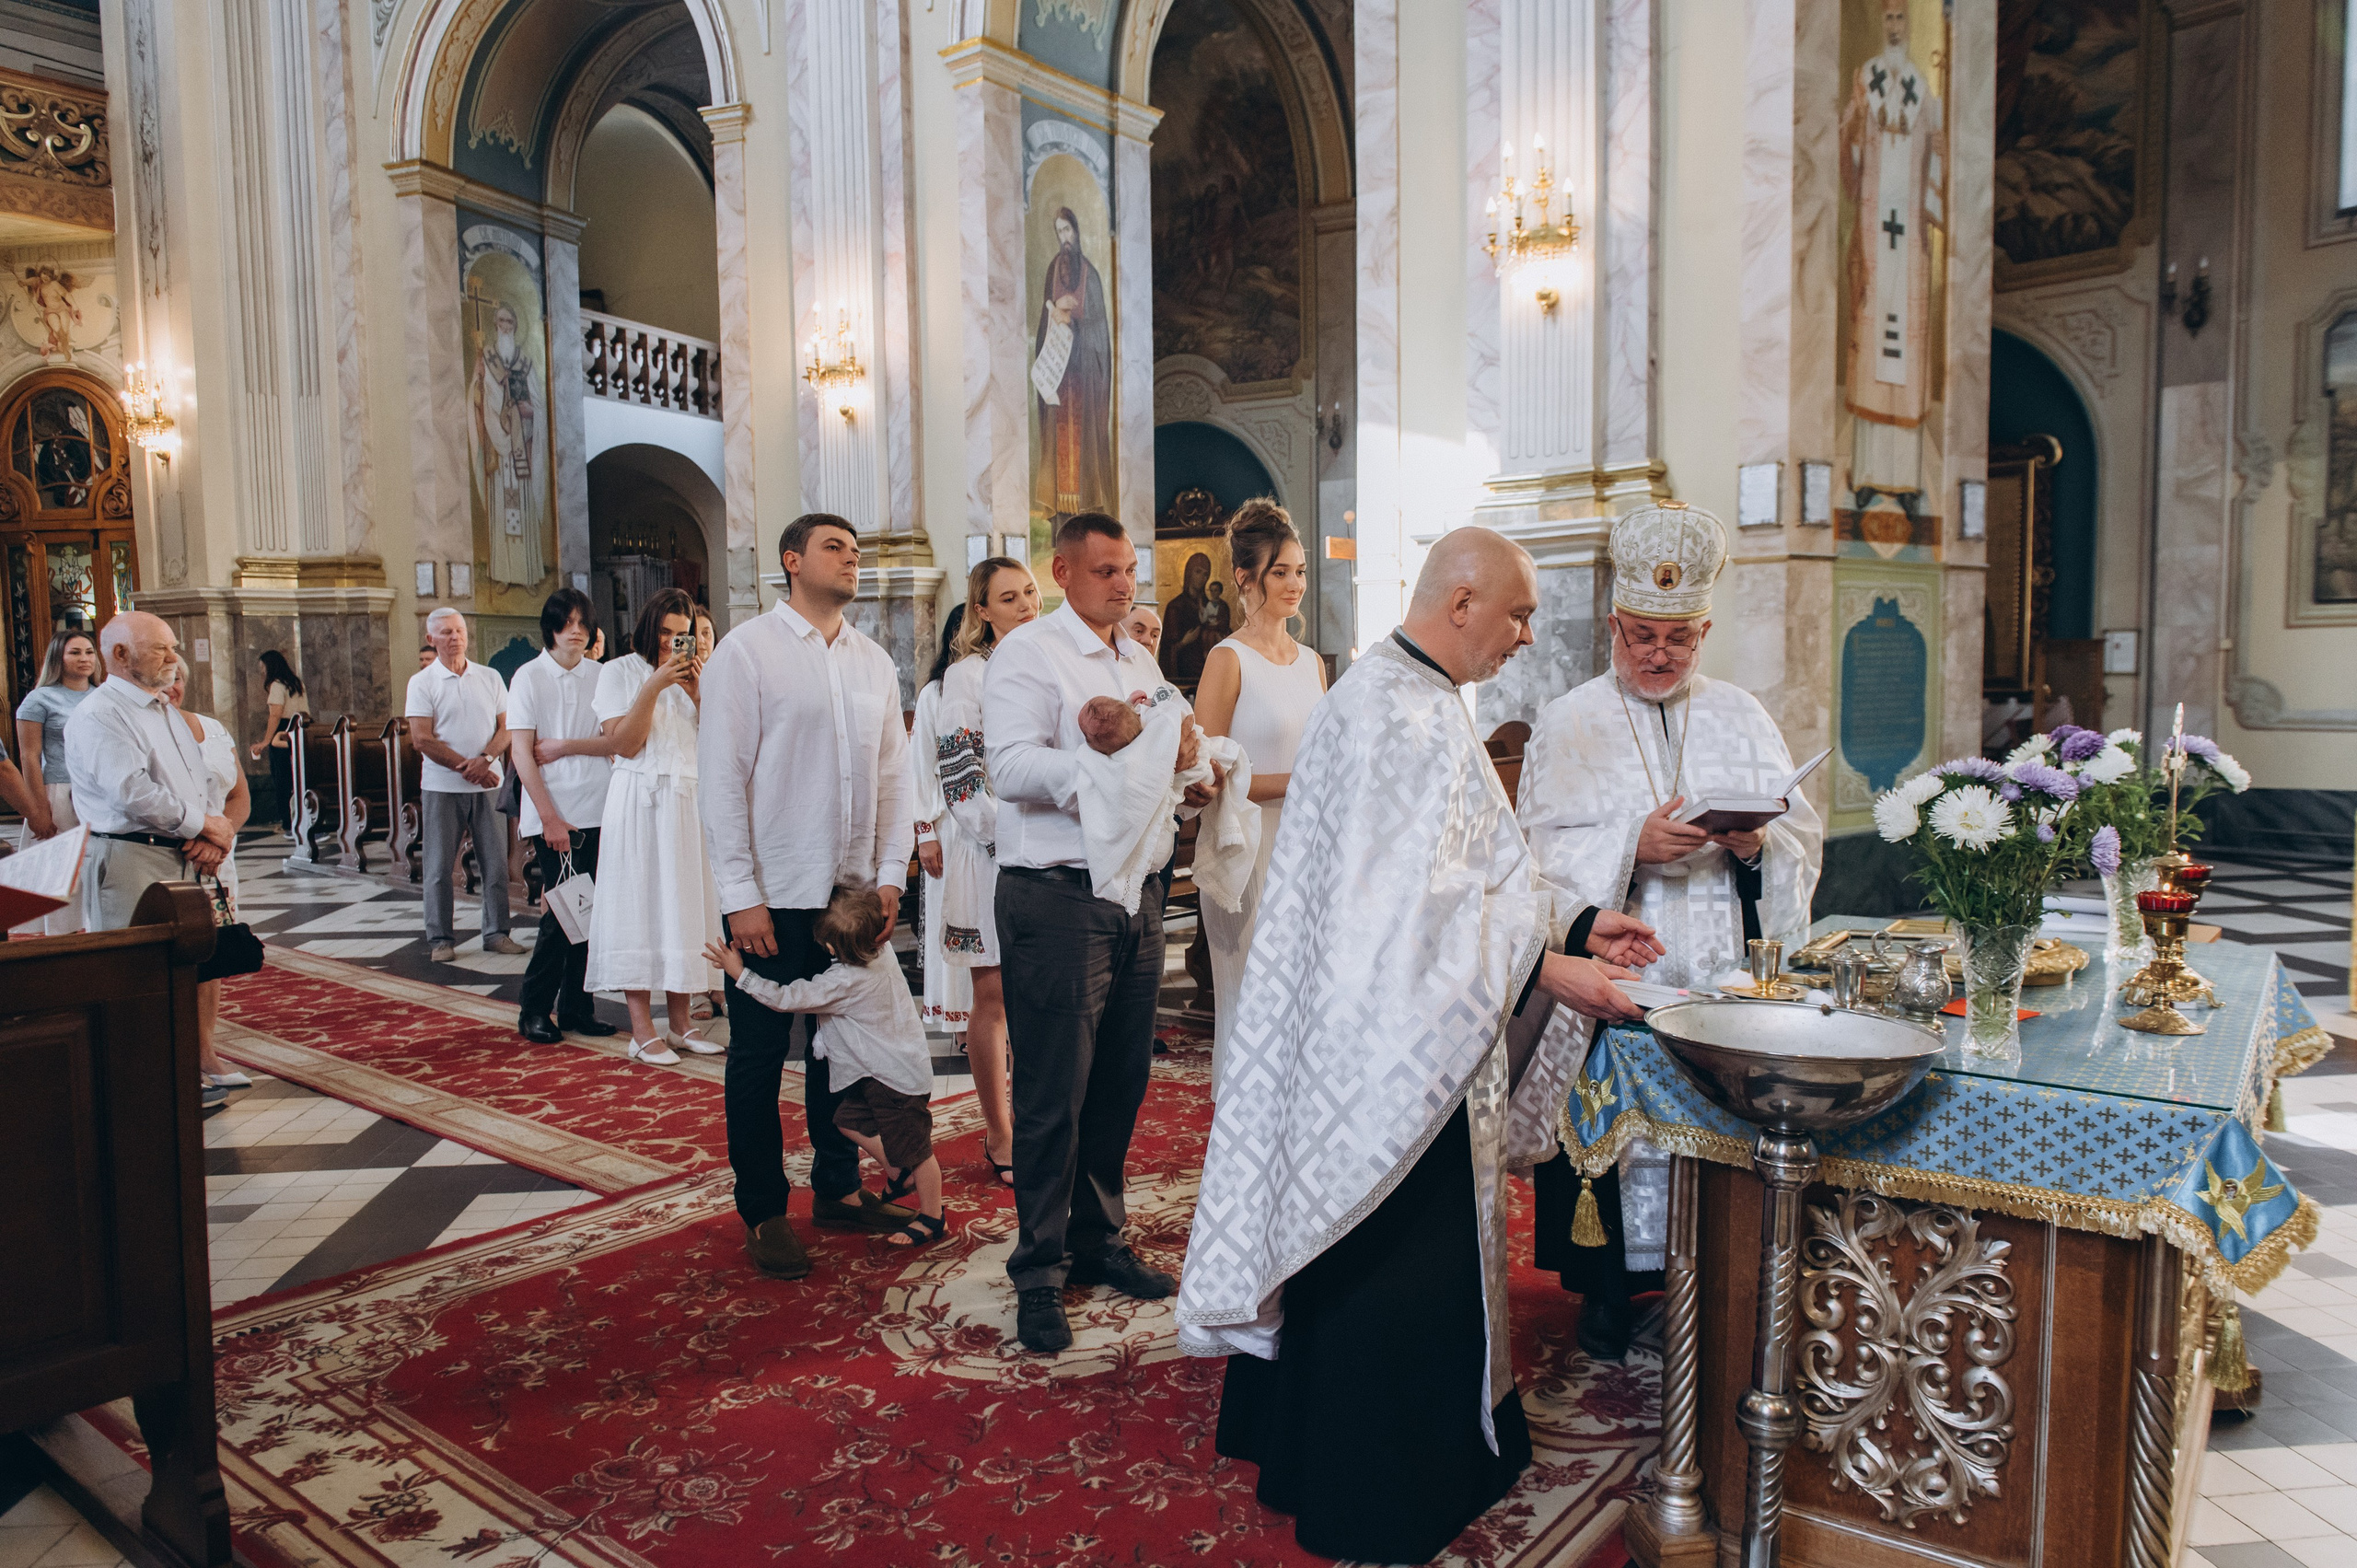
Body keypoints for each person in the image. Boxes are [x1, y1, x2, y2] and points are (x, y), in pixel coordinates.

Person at [1176, 528, 1662, 1564]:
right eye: (1518, 614)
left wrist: (1572, 924)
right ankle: (1380, 1488)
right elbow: (1413, 913)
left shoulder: (1422, 701)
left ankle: (1364, 1447)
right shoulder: (1393, 715)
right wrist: (1550, 967)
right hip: (1384, 1043)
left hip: (1398, 1024)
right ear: (1460, 602)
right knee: (1386, 1262)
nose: (1527, 636)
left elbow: (1480, 873)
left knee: (1386, 1257)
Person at [1519, 502, 1825, 1359]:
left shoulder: (1740, 712)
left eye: (1679, 638)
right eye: (1643, 634)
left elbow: (1800, 833)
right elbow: (1534, 855)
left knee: (1713, 1121)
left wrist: (1758, 840)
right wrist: (1631, 843)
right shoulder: (1569, 718)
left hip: (1721, 967)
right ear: (1614, 623)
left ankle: (1713, 1273)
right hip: (1620, 969)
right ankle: (1608, 1290)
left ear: (1706, 630)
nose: (1659, 653)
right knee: (1613, 1125)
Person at [983, 512, 1224, 1353]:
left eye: (1129, 570)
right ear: (1063, 572)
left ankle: (1099, 1239)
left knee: (1120, 1078)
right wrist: (1113, 765)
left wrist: (1182, 777)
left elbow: (1170, 749)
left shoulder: (1139, 657)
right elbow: (1005, 767)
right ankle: (1040, 1271)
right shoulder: (1028, 653)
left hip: (1137, 892)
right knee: (1053, 1091)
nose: (1124, 584)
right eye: (1106, 571)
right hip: (1056, 896)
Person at [700, 514, 919, 1281]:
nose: (851, 559)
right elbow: (722, 780)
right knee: (761, 1053)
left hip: (851, 890)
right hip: (776, 888)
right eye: (835, 548)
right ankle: (763, 1208)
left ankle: (834, 1189)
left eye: (857, 551)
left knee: (843, 1052)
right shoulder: (747, 653)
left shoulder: (872, 663)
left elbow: (895, 776)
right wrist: (740, 895)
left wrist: (891, 875)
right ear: (791, 560)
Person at [704, 885, 948, 1248]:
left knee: (916, 1149)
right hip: (889, 1071)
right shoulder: (882, 955)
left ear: (831, 949)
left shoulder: (841, 982)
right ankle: (898, 1172)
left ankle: (932, 1215)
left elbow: (786, 998)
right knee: (847, 1121)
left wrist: (740, 974)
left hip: (893, 1080)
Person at [1190, 500, 1325, 1090]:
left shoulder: (1314, 663)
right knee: (1251, 996)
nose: (1294, 584)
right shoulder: (1228, 659)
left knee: (1306, 996)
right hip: (1248, 846)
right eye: (1280, 572)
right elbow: (1202, 771)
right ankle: (1240, 1148)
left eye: (1299, 570)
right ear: (1246, 577)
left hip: (1307, 846)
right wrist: (1299, 783)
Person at [586, 587, 726, 1063]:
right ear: (648, 627)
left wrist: (698, 695)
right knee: (639, 907)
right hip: (639, 803)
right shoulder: (618, 672)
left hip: (688, 802)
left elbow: (720, 745)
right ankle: (642, 1028)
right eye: (665, 633)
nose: (672, 643)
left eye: (682, 635)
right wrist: (653, 686)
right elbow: (624, 744)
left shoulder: (701, 675)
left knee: (684, 909)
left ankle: (683, 1023)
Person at [938, 557, 1040, 1187]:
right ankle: (1000, 1131)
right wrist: (1005, 831)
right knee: (995, 994)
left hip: (1048, 847)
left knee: (1043, 996)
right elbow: (959, 772)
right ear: (982, 610)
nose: (1027, 604)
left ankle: (1040, 1120)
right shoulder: (967, 675)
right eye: (1009, 597)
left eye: (1030, 591)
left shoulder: (1052, 661)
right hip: (989, 847)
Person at [62, 612, 233, 928]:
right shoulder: (102, 713)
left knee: (185, 968)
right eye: (159, 649)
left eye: (173, 647)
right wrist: (205, 825)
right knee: (137, 970)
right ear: (121, 654)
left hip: (182, 852)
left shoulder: (162, 708)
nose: (172, 658)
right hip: (134, 859)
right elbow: (132, 792)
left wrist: (209, 834)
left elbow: (197, 777)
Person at [508, 588, 618, 1044]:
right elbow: (522, 753)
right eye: (567, 623)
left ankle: (577, 1007)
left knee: (592, 914)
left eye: (582, 623)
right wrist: (549, 819)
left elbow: (615, 741)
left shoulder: (602, 675)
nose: (576, 631)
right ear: (550, 628)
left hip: (603, 808)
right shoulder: (529, 677)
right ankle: (534, 1009)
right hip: (556, 813)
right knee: (560, 914)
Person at [406, 609, 524, 964]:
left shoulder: (489, 677)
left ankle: (497, 933)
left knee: (495, 864)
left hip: (489, 785)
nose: (455, 637)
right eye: (445, 632)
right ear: (431, 639)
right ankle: (441, 938)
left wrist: (486, 759)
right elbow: (422, 739)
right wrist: (469, 768)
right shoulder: (422, 683)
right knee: (440, 867)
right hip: (443, 787)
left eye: (459, 630)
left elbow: (509, 727)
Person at [165, 658, 253, 1096]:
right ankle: (170, 1059)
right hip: (170, 855)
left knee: (209, 954)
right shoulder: (140, 731)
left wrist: (220, 839)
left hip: (219, 858)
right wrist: (200, 836)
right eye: (163, 679)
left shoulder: (213, 729)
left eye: (177, 678)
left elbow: (238, 796)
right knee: (170, 958)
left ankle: (204, 1050)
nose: (171, 686)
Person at [10, 628, 99, 936]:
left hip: (99, 791)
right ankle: (63, 938)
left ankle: (97, 934)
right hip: (60, 791)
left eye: (89, 652)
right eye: (75, 652)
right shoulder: (40, 699)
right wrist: (38, 809)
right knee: (64, 873)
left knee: (95, 869)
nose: (84, 658)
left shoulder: (102, 695)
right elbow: (29, 757)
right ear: (58, 658)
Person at [910, 605, 970, 1040]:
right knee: (956, 918)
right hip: (950, 825)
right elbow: (921, 768)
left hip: (1000, 824)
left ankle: (998, 1018)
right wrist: (926, 832)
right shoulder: (935, 694)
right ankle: (962, 1016)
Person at [246, 650, 310, 830]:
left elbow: (275, 715)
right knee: (299, 777)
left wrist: (266, 741)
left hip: (282, 732)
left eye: (263, 667)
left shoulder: (277, 685)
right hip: (300, 729)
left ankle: (288, 823)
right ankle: (303, 818)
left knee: (282, 779)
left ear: (270, 666)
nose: (262, 672)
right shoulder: (297, 683)